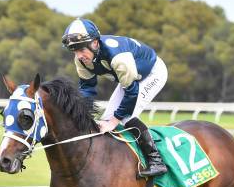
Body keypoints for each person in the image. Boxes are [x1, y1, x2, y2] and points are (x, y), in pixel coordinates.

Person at [62, 18, 168, 177]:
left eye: (81, 49)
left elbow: (131, 93)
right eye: (74, 50)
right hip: (131, 79)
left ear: (95, 43)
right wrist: (80, 116)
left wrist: (114, 121)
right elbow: (87, 89)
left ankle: (156, 161)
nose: (79, 55)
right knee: (106, 119)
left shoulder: (118, 57)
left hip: (153, 73)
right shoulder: (81, 60)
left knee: (124, 118)